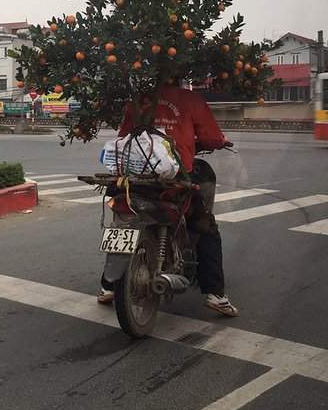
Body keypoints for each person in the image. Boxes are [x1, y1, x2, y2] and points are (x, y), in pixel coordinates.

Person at [97, 82, 238, 317]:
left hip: (135, 178)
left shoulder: (139, 99)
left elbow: (124, 136)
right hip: (174, 179)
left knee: (122, 226)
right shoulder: (189, 99)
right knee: (206, 226)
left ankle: (107, 286)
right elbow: (211, 137)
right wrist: (220, 141)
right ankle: (216, 294)